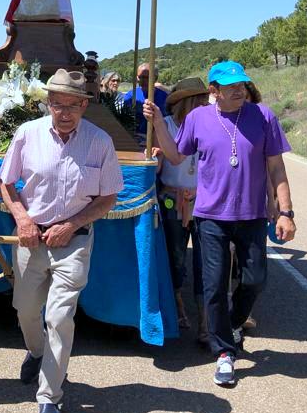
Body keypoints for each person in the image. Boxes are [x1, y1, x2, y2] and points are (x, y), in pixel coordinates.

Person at [145, 60, 295, 388]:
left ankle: (233, 323)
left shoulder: (264, 116)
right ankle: (225, 352)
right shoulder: (199, 118)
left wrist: (286, 211)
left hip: (252, 215)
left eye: (242, 83)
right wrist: (157, 122)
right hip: (210, 216)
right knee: (213, 286)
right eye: (231, 86)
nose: (239, 89)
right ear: (214, 91)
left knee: (255, 280)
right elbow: (174, 156)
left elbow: (277, 168)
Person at [0, 69, 124, 413]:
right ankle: (37, 353)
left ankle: (49, 397)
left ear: (84, 105)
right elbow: (6, 182)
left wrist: (71, 225)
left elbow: (110, 195)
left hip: (75, 241)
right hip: (30, 239)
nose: (64, 112)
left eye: (72, 105)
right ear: (47, 103)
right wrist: (21, 218)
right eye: (57, 104)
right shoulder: (28, 134)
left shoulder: (99, 142)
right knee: (25, 309)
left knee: (58, 317)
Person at [157, 77, 210, 340]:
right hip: (171, 201)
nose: (205, 104)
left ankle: (205, 322)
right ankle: (177, 304)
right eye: (199, 100)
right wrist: (154, 157)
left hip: (205, 203)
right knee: (176, 259)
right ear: (186, 102)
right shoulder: (165, 126)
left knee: (206, 263)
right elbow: (161, 165)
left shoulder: (210, 126)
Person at [119, 62, 169, 140]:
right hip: (136, 138)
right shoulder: (131, 96)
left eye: (146, 77)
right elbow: (124, 120)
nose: (142, 80)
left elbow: (169, 123)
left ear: (155, 78)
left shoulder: (165, 98)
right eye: (140, 77)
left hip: (159, 139)